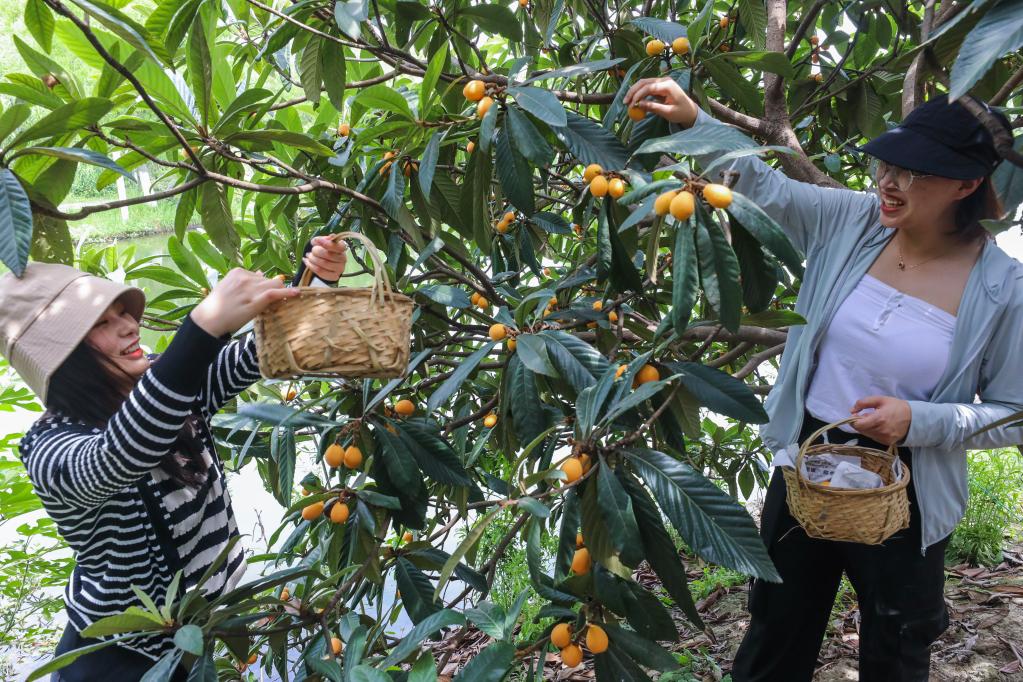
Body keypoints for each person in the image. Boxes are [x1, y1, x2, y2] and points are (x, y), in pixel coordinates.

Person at [625, 78, 1023, 681]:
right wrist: (694, 121)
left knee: (897, 642)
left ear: (966, 185)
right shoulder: (854, 222)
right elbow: (767, 189)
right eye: (887, 164)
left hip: (909, 484)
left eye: (914, 173)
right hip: (807, 454)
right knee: (777, 629)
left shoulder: (1001, 289)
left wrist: (919, 421)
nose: (889, 182)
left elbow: (1013, 411)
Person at [0, 235, 348, 681]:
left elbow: (268, 348)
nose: (130, 326)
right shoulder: (49, 447)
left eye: (123, 313)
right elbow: (119, 454)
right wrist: (202, 326)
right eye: (103, 323)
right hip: (114, 660)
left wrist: (316, 280)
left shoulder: (168, 388)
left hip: (190, 641)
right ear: (64, 358)